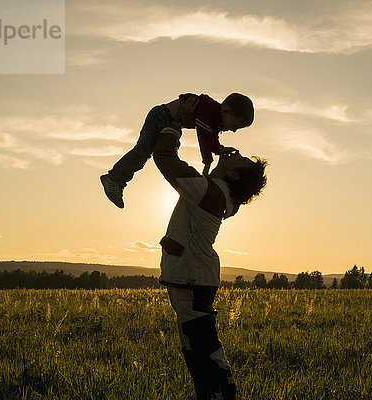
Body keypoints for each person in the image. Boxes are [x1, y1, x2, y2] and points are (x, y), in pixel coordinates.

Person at [152, 96, 267, 400]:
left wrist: (174, 123)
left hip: (192, 278)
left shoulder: (209, 192)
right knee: (196, 348)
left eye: (238, 158)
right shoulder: (217, 191)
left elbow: (165, 159)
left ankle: (224, 395)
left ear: (234, 174)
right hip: (193, 277)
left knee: (204, 348)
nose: (235, 152)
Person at [100, 92, 254, 208]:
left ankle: (117, 179)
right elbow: (204, 136)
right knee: (142, 152)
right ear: (226, 111)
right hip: (162, 117)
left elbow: (210, 136)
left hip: (167, 120)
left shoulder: (214, 121)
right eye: (235, 126)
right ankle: (114, 178)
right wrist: (207, 161)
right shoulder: (211, 112)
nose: (233, 131)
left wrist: (218, 148)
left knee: (144, 154)